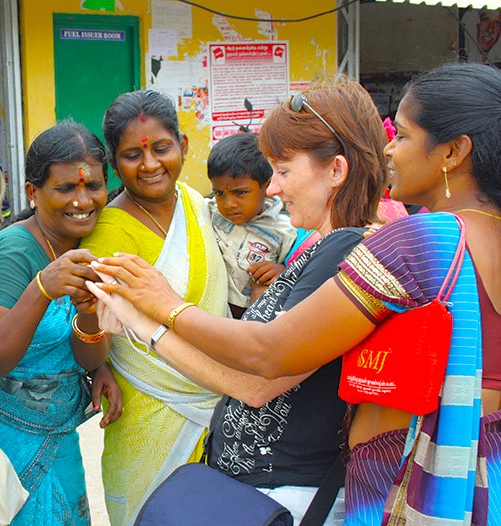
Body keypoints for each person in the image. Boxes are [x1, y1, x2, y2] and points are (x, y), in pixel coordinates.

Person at [88, 63, 501, 524]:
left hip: (344, 484)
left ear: (453, 152)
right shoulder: (477, 237)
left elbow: (267, 360)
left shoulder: (424, 240)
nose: (390, 149)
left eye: (402, 136)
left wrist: (162, 309)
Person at [0, 119, 123, 525]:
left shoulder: (89, 241)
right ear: (33, 193)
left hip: (55, 437)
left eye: (93, 186)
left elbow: (85, 353)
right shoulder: (16, 250)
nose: (82, 200)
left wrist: (96, 349)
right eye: (66, 188)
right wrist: (43, 288)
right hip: (7, 440)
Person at [79, 90, 229, 524]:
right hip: (147, 406)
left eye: (161, 148)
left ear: (182, 145)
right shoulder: (107, 232)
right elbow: (92, 328)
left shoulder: (194, 203)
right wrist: (97, 367)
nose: (149, 165)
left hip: (219, 400)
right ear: (113, 161)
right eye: (131, 155)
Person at [206, 132, 297, 317]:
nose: (228, 204)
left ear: (267, 185)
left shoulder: (286, 231)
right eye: (219, 193)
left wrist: (280, 272)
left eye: (240, 193)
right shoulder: (207, 211)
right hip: (208, 310)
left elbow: (297, 273)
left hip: (248, 318)